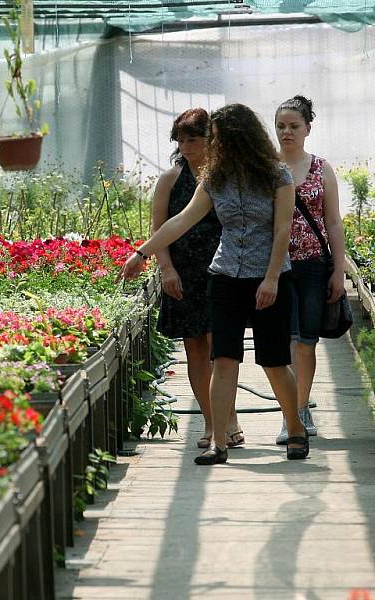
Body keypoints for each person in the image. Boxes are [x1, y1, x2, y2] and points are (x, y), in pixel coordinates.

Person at [117, 103, 309, 465]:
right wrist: (142, 253)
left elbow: (283, 229)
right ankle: (218, 442)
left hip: (268, 276)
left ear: (237, 138)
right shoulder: (213, 179)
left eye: (217, 138)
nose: (211, 144)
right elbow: (182, 220)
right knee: (223, 359)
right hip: (224, 277)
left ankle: (295, 427)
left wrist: (270, 279)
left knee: (273, 361)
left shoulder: (277, 175)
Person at [151, 108, 243, 450]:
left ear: (211, 139)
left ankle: (228, 418)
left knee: (222, 348)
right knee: (195, 349)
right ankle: (209, 421)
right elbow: (159, 228)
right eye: (181, 139)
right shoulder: (171, 180)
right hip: (184, 274)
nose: (186, 146)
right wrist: (167, 269)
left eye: (193, 139)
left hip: (221, 271)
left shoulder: (226, 177)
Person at [274, 95, 346, 443]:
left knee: (306, 341)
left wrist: (338, 270)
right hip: (277, 265)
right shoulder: (268, 168)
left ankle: (300, 408)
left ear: (307, 129)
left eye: (293, 126)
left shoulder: (321, 168)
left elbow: (333, 221)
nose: (286, 132)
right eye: (281, 126)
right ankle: (289, 415)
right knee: (285, 340)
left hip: (314, 266)